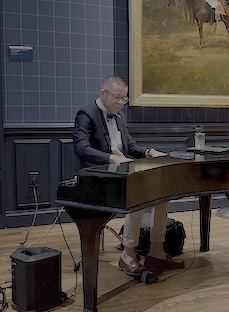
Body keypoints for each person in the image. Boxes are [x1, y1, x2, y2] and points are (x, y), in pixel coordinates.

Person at [73, 75, 184, 276]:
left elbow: (130, 146)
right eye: (117, 97)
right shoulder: (86, 114)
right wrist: (113, 159)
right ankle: (128, 255)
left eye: (124, 98)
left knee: (162, 195)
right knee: (138, 195)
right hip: (98, 178)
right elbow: (82, 149)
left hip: (122, 174)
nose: (121, 103)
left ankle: (156, 252)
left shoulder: (119, 116)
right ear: (102, 93)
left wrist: (149, 152)